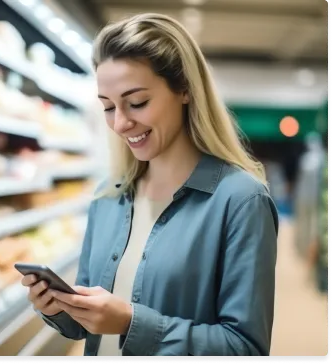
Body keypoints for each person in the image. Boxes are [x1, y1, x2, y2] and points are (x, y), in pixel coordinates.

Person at [22, 13, 278, 356]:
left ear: (184, 89)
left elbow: (245, 347)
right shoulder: (108, 196)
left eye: (137, 102)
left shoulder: (241, 201)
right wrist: (57, 306)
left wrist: (131, 324)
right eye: (109, 107)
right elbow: (85, 322)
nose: (121, 123)